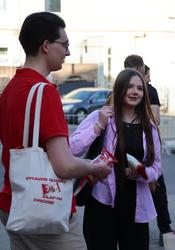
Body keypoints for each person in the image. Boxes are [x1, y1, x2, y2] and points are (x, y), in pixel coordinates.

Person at [0, 12, 111, 250]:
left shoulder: (10, 90)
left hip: (14, 203)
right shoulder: (45, 92)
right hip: (45, 207)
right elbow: (64, 166)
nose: (68, 52)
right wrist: (94, 168)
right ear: (46, 46)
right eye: (65, 45)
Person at [70, 68, 161, 250]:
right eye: (130, 87)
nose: (135, 92)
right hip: (101, 203)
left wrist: (142, 173)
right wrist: (98, 126)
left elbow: (157, 167)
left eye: (140, 88)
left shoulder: (149, 127)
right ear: (119, 89)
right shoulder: (101, 116)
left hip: (135, 207)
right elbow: (73, 149)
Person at [124, 55, 174, 246]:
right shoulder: (126, 90)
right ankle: (162, 228)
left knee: (155, 186)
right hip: (130, 147)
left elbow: (155, 119)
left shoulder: (150, 91)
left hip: (147, 148)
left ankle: (164, 228)